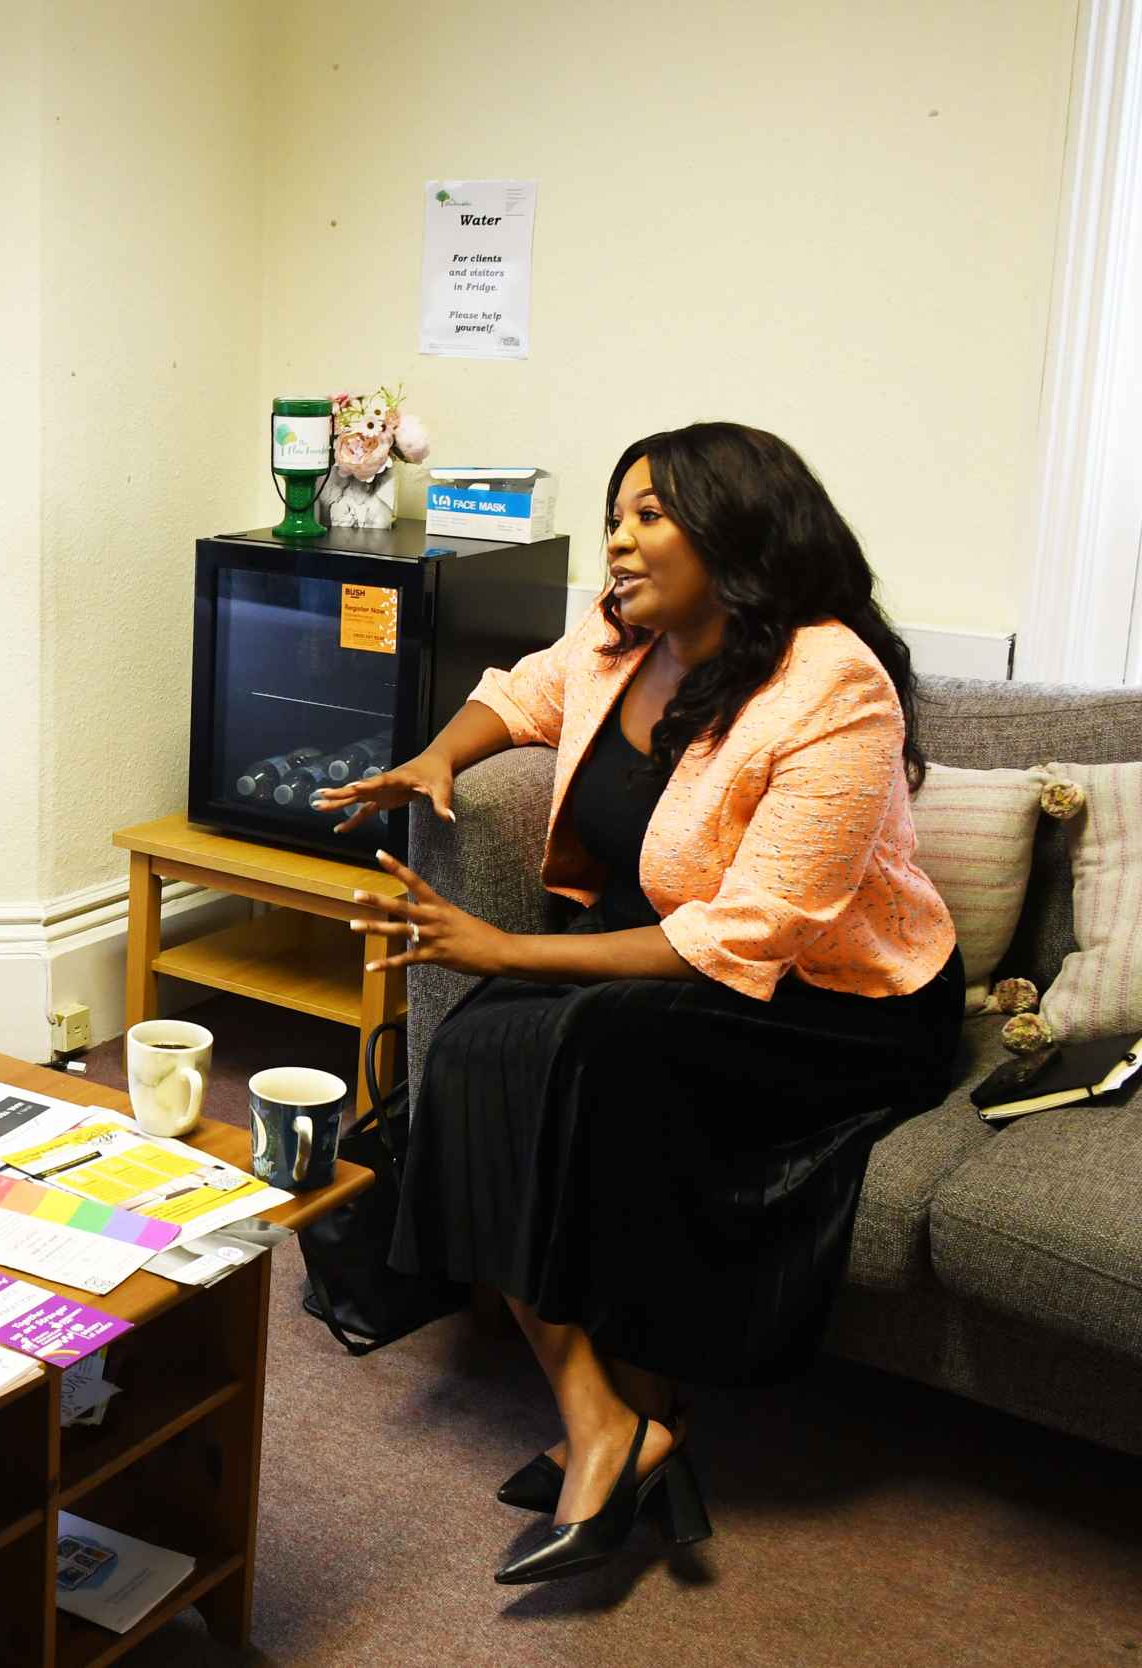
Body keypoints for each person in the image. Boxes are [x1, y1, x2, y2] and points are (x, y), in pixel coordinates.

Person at [315, 423, 962, 1586]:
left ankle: (626, 1418)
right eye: (617, 515)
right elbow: (519, 696)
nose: (617, 540)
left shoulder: (832, 683)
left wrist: (510, 946)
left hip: (834, 1001)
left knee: (571, 1048)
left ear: (738, 528)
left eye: (647, 515)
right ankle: (608, 1415)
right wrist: (434, 761)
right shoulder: (628, 636)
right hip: (678, 967)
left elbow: (750, 934)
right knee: (472, 1046)